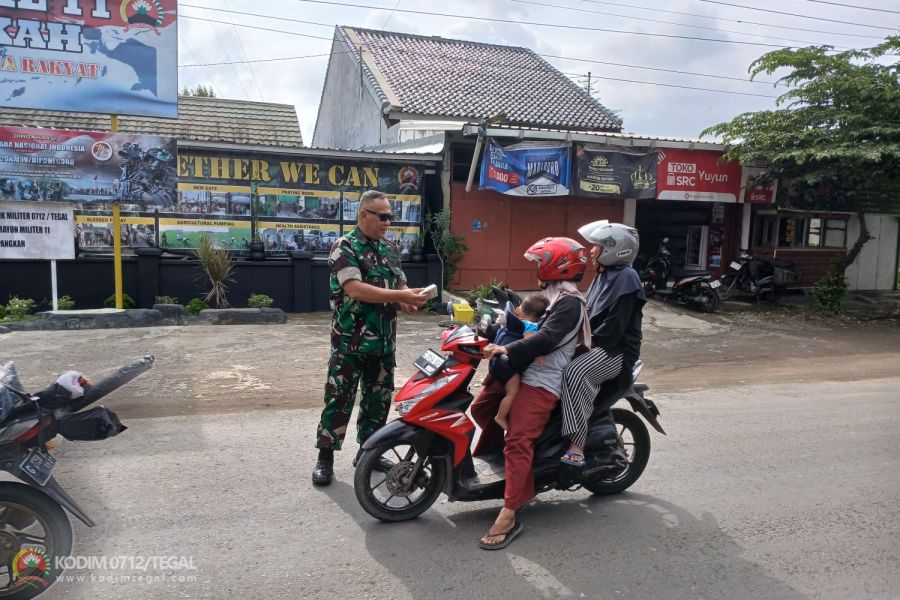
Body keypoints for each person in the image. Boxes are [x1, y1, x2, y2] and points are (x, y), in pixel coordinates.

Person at [472, 237, 591, 550]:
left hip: (543, 381)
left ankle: (510, 513)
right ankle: (510, 465)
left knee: (517, 439)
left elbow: (547, 338)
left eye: (541, 263)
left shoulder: (569, 303)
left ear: (557, 266)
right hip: (524, 370)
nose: (537, 269)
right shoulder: (552, 298)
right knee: (482, 408)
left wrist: (506, 347)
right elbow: (527, 315)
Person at [311, 190, 428, 486]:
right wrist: (399, 294)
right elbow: (356, 290)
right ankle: (325, 459)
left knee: (378, 403)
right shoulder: (345, 247)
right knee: (339, 400)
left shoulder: (390, 248)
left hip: (383, 344)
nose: (388, 222)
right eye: (383, 216)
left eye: (391, 217)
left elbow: (400, 287)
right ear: (364, 215)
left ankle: (368, 454)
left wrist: (410, 301)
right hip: (350, 342)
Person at [559, 221, 645, 467]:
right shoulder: (603, 275)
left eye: (596, 246)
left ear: (613, 248)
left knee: (574, 372)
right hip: (596, 343)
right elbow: (586, 312)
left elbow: (612, 330)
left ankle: (576, 444)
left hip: (615, 351)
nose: (591, 251)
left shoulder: (627, 277)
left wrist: (581, 344)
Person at [480, 294, 550, 430]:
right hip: (508, 367)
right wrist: (538, 355)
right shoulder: (532, 327)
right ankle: (500, 416)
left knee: (494, 370)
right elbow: (530, 343)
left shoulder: (510, 321)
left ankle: (484, 381)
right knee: (512, 392)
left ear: (518, 310)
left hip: (494, 363)